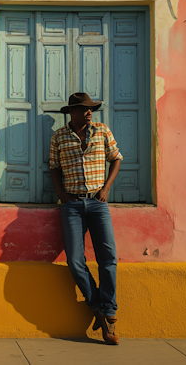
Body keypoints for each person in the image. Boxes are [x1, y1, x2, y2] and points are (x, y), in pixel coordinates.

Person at [49, 92, 122, 345]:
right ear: (72, 112)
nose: (89, 112)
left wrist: (106, 189)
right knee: (75, 261)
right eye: (83, 109)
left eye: (90, 108)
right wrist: (61, 194)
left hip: (98, 203)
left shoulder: (101, 131)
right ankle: (98, 307)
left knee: (108, 258)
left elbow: (116, 159)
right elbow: (54, 167)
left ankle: (109, 315)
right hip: (72, 205)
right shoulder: (59, 137)